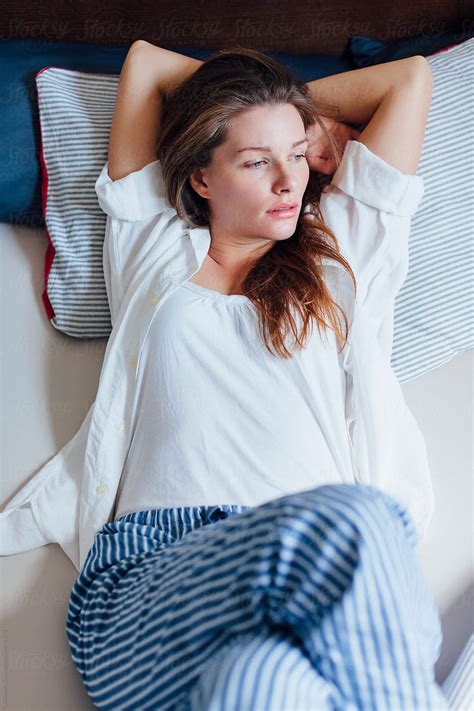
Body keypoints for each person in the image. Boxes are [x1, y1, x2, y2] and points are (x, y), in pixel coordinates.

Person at [4, 41, 450, 709]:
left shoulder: (338, 256)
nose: (288, 182)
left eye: (297, 156)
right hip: (154, 589)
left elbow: (411, 81)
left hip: (301, 611)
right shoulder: (150, 250)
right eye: (255, 161)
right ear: (201, 177)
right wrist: (274, 113)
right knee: (359, 522)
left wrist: (297, 115)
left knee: (266, 683)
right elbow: (147, 66)